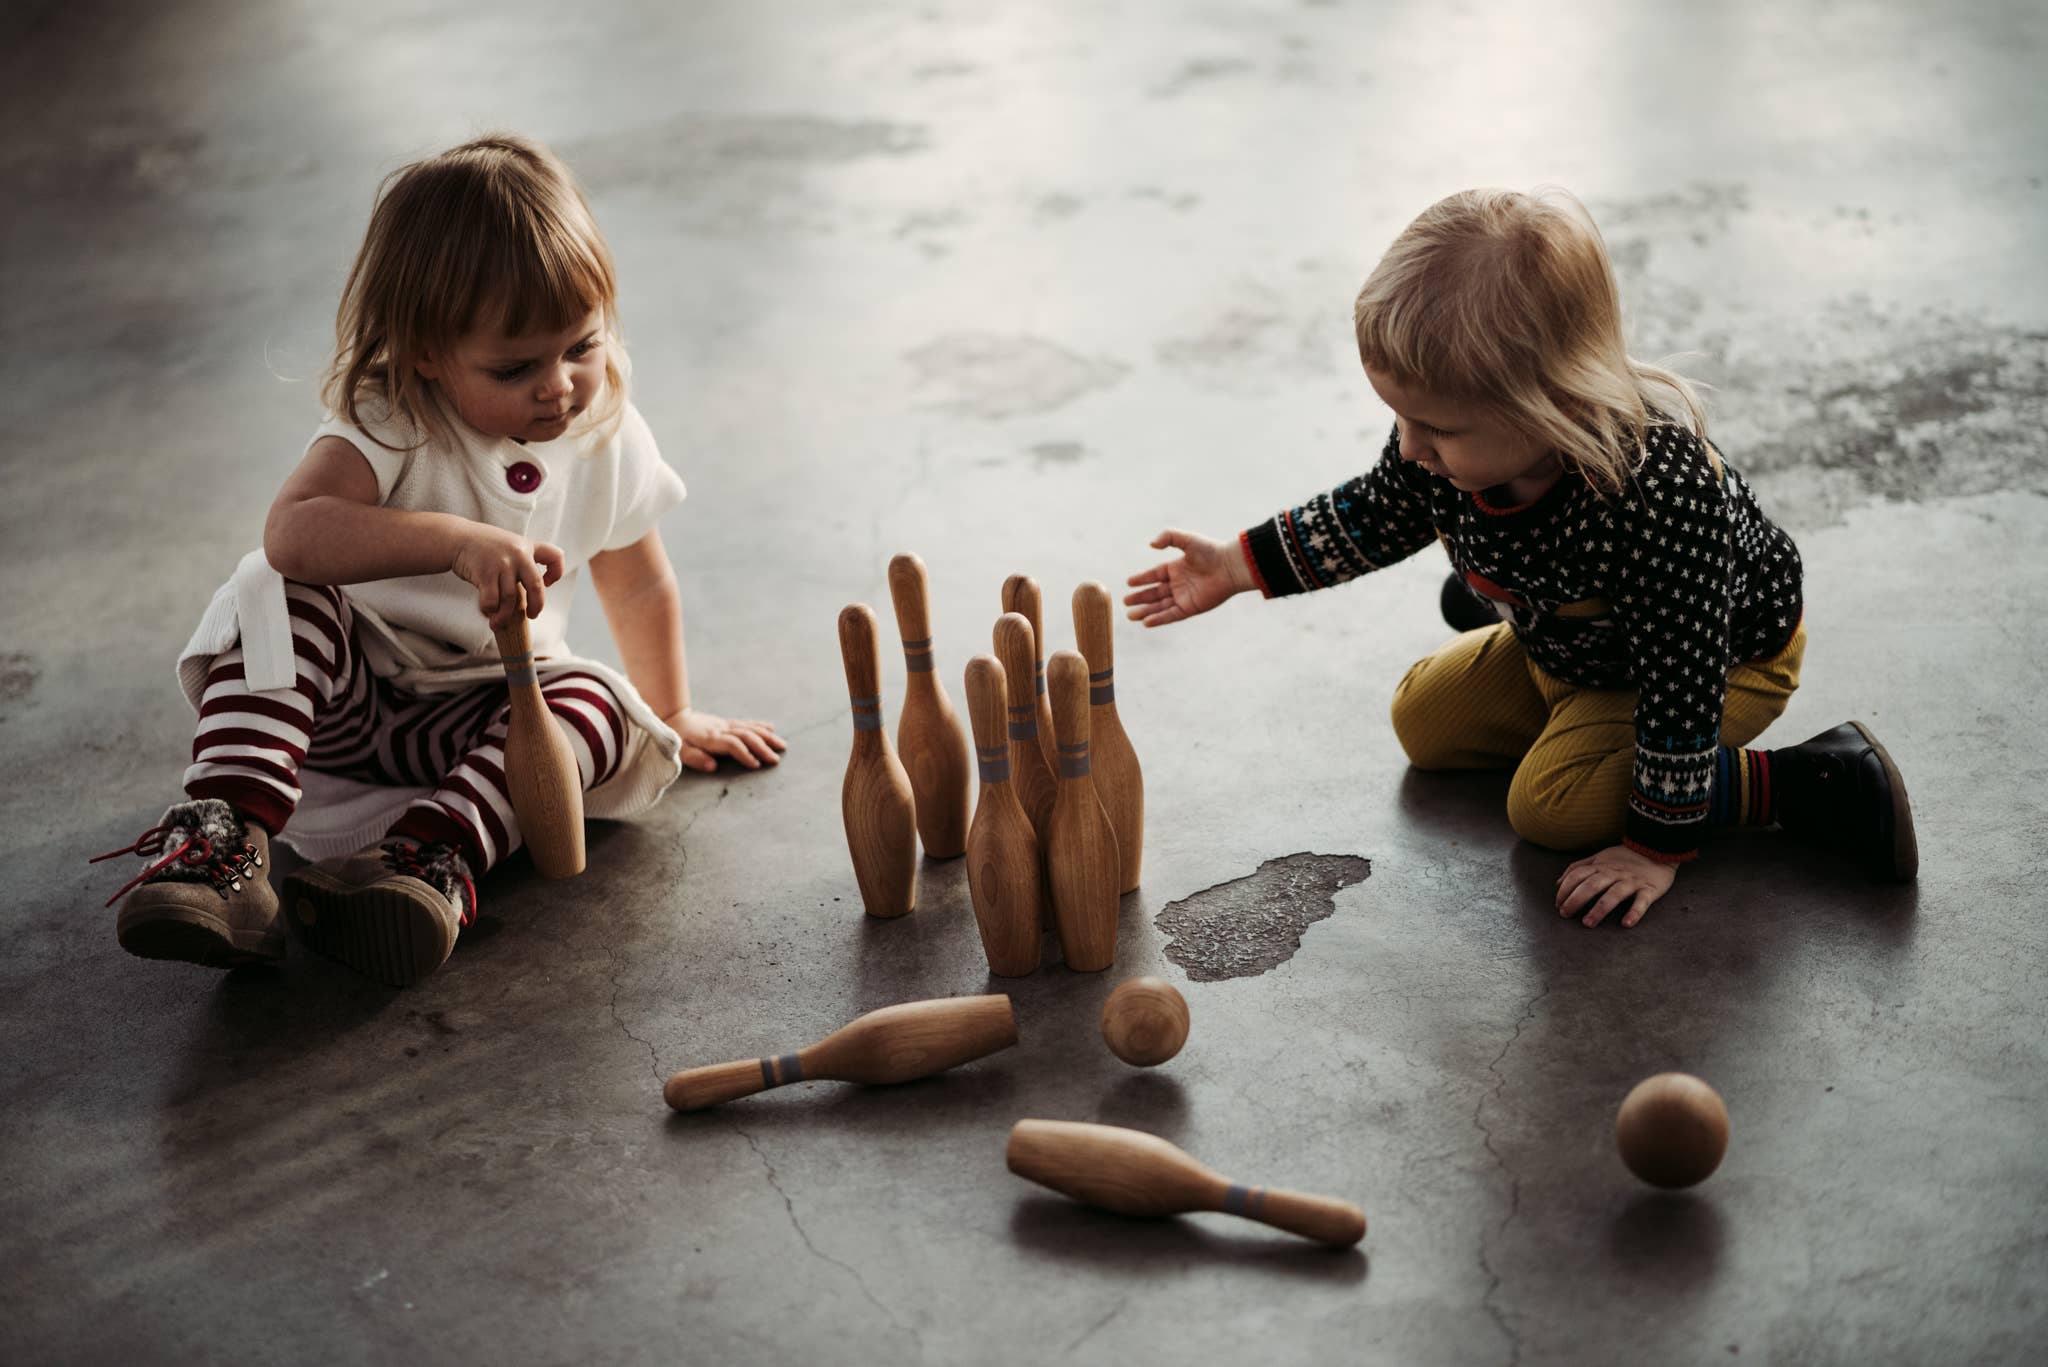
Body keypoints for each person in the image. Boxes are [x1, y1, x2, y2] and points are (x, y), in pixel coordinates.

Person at [1125, 188, 1915, 930]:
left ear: (1554, 403)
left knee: (1549, 806)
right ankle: (1514, 597)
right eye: (1401, 419)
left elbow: (1682, 686)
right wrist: (1236, 566)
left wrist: (1654, 845)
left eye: (1437, 430)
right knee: (1420, 719)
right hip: (1581, 646)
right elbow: (1373, 511)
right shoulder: (1450, 440)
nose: (1409, 446)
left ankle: (1813, 781)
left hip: (1720, 662)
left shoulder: (1657, 498)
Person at [95, 134, 784, 984]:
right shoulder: (394, 416)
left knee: (602, 701)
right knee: (271, 591)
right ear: (425, 350)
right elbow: (293, 529)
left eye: (582, 346)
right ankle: (225, 846)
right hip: (342, 709)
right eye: (514, 366)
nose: (559, 385)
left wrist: (674, 710)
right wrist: (457, 542)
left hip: (483, 723)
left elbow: (639, 582)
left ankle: (423, 859)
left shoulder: (606, 434)